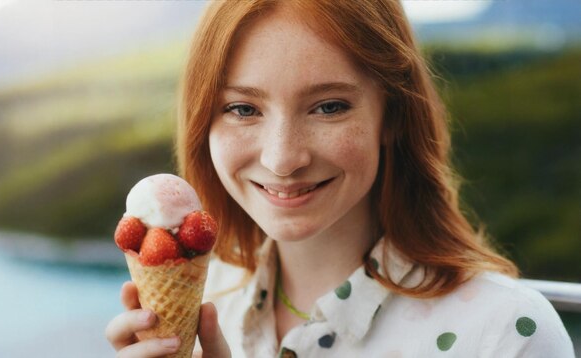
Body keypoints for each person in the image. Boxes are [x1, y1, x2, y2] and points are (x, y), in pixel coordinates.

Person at [105, 1, 574, 357]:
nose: (283, 157)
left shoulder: (506, 334)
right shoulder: (210, 301)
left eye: (329, 106)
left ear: (392, 115)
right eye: (243, 109)